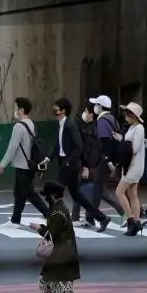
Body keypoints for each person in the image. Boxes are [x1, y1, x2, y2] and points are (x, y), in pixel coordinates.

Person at [52, 98, 109, 231]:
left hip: (70, 164)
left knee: (55, 191)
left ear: (63, 110)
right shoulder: (62, 125)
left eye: (56, 109)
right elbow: (57, 145)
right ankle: (102, 218)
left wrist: (72, 162)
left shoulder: (71, 125)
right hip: (69, 163)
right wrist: (48, 158)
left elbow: (81, 147)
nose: (54, 111)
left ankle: (55, 219)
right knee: (76, 194)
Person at [35, 180, 81, 293]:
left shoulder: (57, 212)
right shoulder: (59, 208)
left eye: (47, 195)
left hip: (62, 255)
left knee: (53, 285)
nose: (45, 198)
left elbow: (51, 235)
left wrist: (38, 228)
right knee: (58, 286)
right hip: (65, 253)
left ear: (53, 195)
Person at [0, 97, 51, 226]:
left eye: (16, 108)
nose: (14, 110)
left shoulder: (18, 127)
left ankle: (49, 214)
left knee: (29, 193)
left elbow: (12, 147)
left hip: (23, 166)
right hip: (29, 164)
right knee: (19, 193)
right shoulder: (31, 124)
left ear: (21, 110)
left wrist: (3, 164)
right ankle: (15, 220)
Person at [117, 103, 147, 233]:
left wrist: (122, 142)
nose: (125, 116)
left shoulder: (139, 128)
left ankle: (131, 220)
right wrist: (122, 139)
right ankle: (137, 222)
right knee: (132, 193)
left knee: (119, 192)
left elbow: (134, 148)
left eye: (127, 114)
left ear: (133, 115)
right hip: (130, 165)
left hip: (134, 166)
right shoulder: (132, 127)